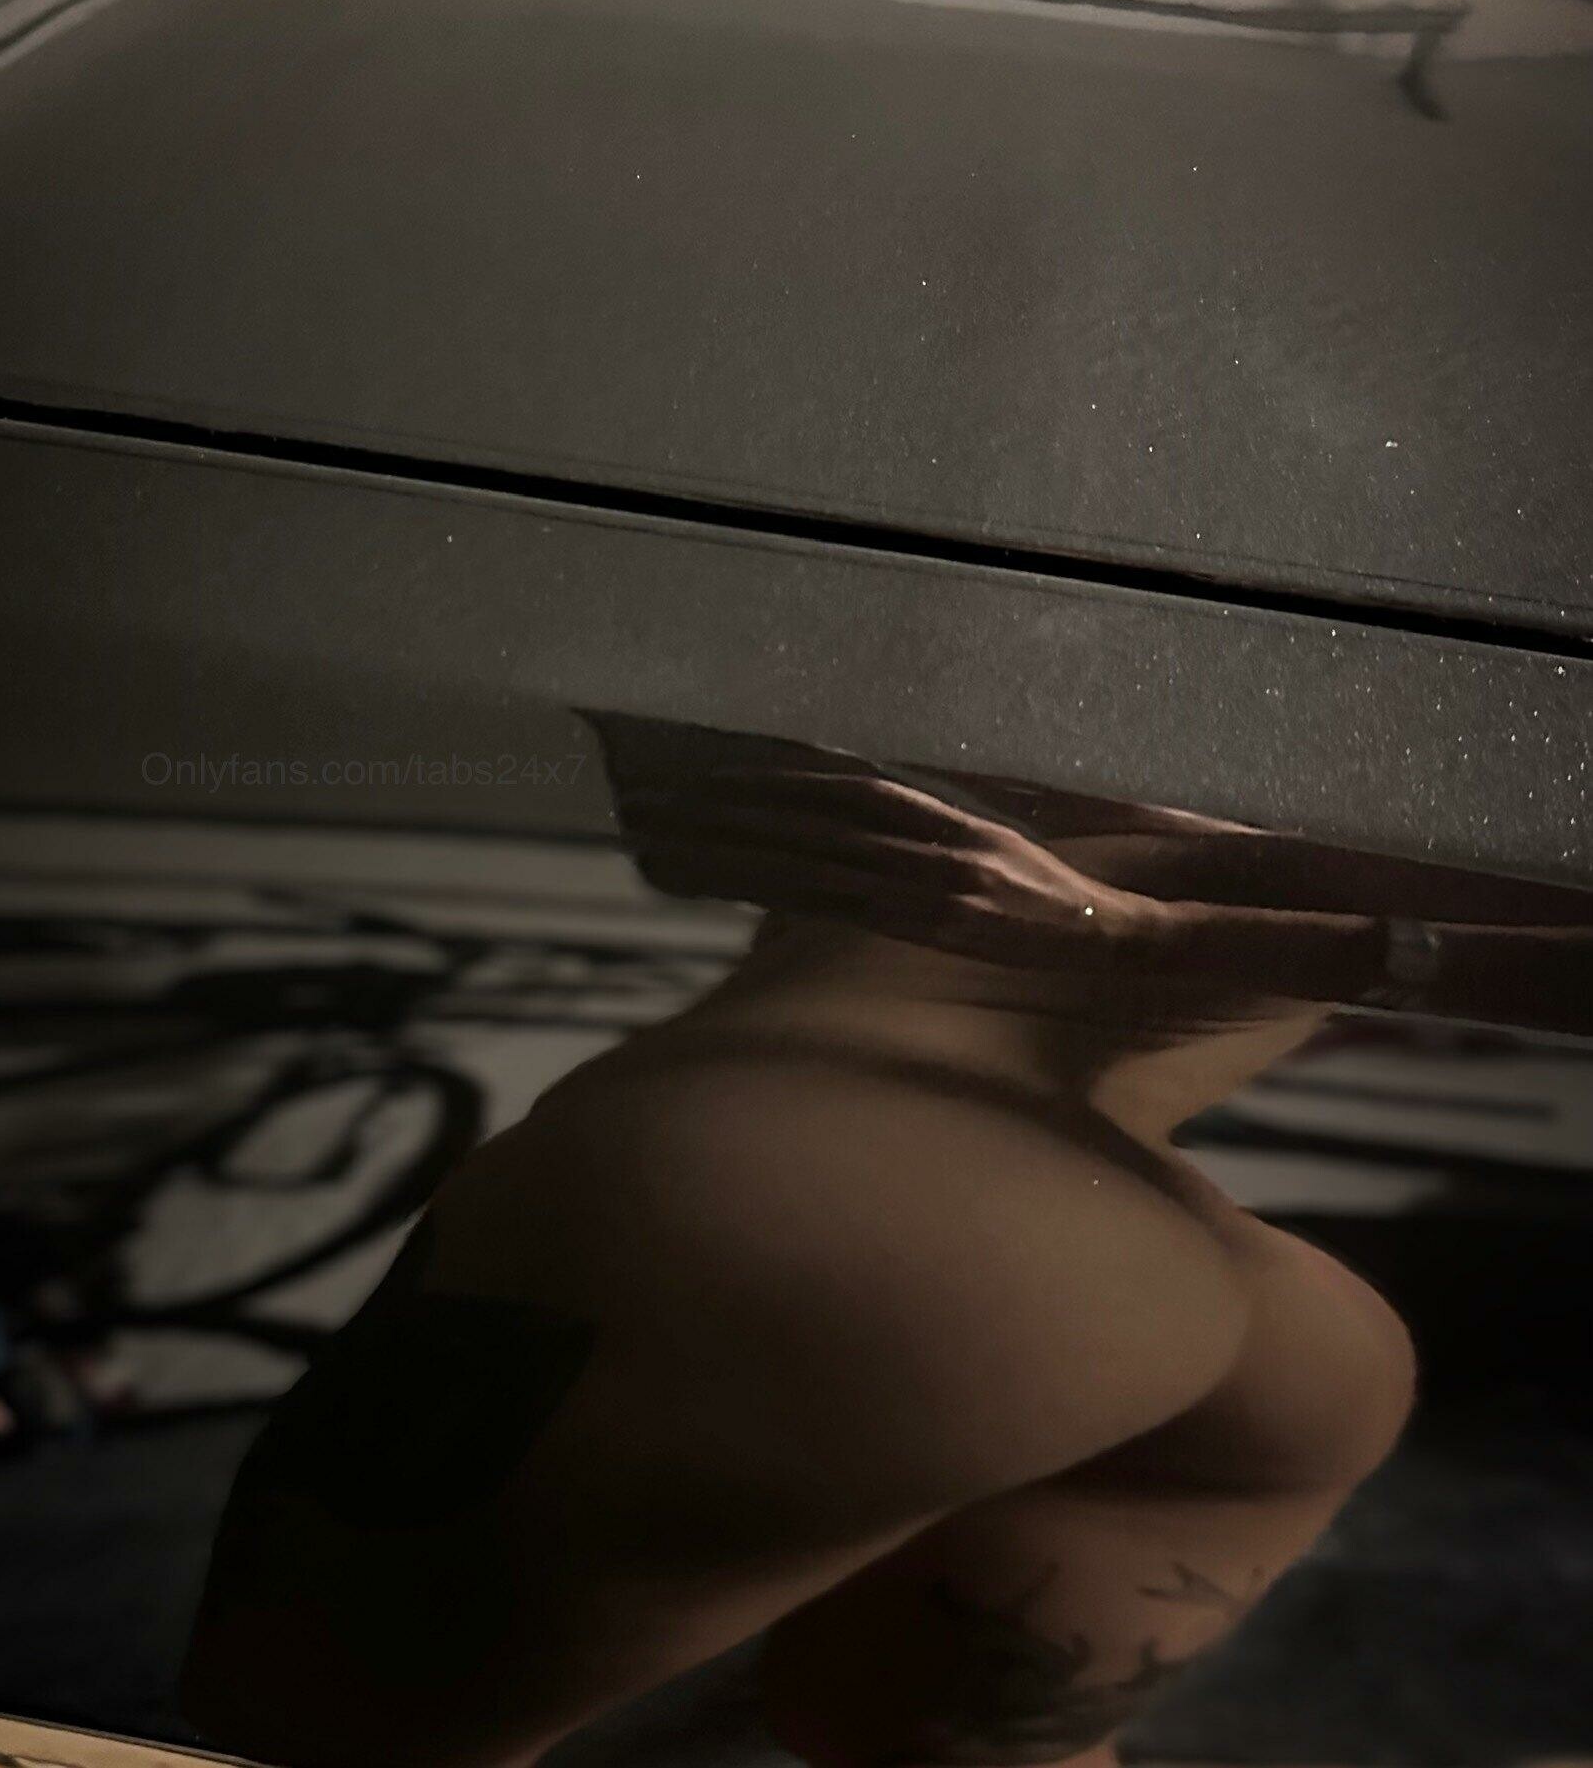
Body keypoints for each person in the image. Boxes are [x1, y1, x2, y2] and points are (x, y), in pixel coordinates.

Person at [180, 718, 1593, 1768]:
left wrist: (1137, 932)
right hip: (1249, 1323)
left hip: (864, 1185)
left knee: (323, 1733)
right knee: (963, 1737)